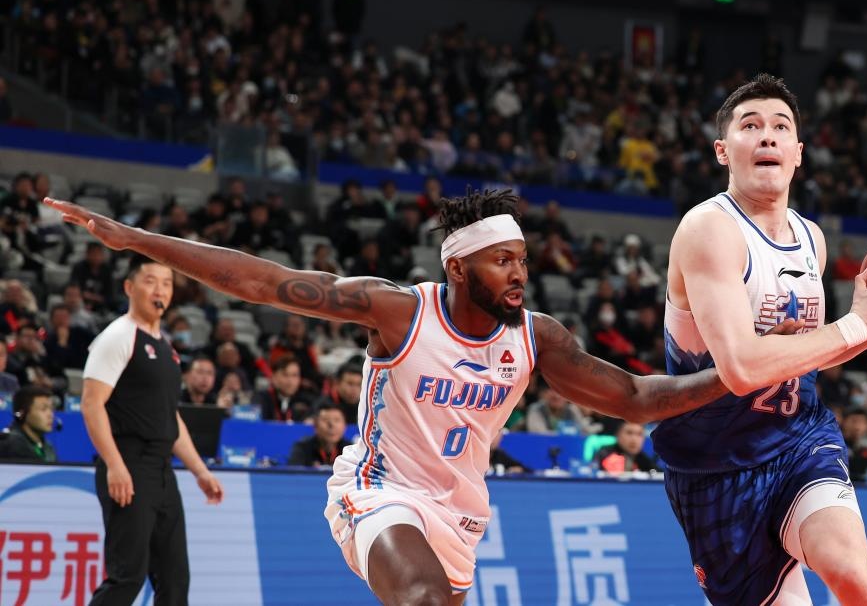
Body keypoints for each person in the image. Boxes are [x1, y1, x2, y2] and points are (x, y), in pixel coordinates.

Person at [47, 188, 760, 606]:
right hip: (377, 491)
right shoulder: (398, 311)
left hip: (460, 512)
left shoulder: (536, 336)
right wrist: (134, 239)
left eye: (521, 260)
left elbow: (635, 397)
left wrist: (737, 375)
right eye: (502, 261)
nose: (519, 274)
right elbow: (262, 282)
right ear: (459, 267)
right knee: (421, 600)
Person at [655, 74, 867, 605]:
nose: (767, 135)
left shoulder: (812, 238)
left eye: (780, 126)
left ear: (798, 152)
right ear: (722, 151)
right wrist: (858, 325)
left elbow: (810, 355)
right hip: (716, 467)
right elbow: (742, 367)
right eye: (750, 125)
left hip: (798, 440)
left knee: (850, 569)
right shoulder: (708, 229)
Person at [80, 254, 224, 605]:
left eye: (167, 283)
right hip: (129, 462)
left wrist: (200, 471)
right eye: (150, 281)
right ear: (129, 287)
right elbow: (91, 403)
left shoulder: (165, 346)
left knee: (174, 581)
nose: (160, 290)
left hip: (161, 471)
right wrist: (115, 465)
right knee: (127, 576)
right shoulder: (117, 336)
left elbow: (169, 417)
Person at [0, 385, 57, 462]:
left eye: (51, 409)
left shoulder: (48, 447)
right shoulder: (9, 445)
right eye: (43, 409)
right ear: (22, 414)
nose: (50, 415)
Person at [287, 403, 351, 467]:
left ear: (345, 426)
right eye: (326, 420)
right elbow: (294, 472)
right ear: (315, 425)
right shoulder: (302, 448)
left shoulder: (350, 450)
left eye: (337, 420)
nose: (332, 425)